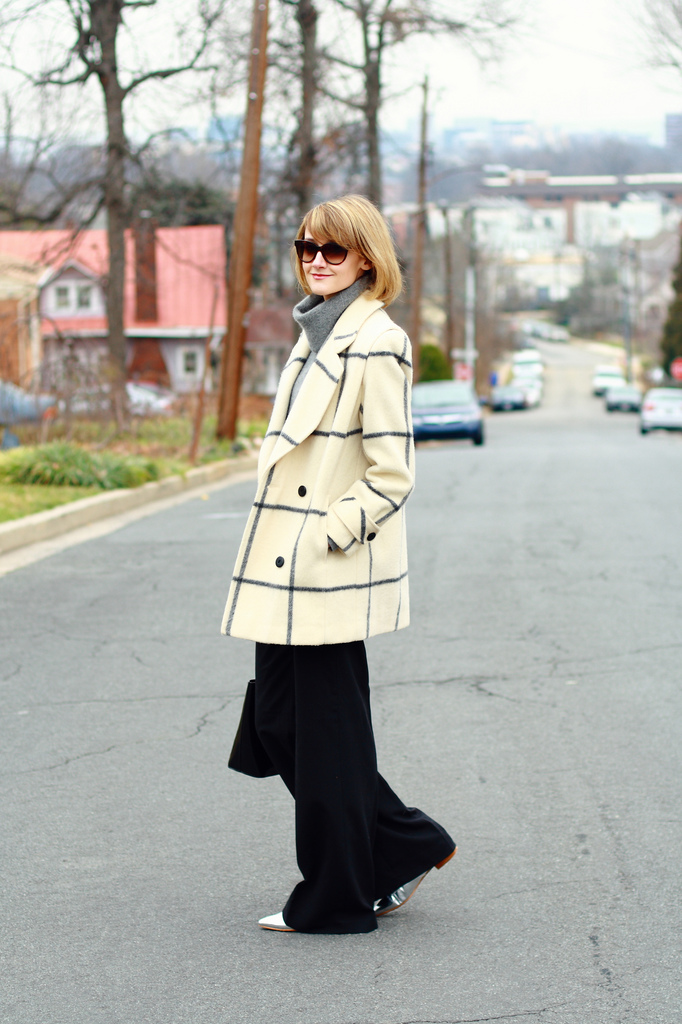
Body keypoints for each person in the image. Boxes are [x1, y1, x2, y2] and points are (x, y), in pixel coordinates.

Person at [221, 194, 456, 934]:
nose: (317, 260)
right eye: (306, 248)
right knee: (280, 721)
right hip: (287, 571)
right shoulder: (315, 333)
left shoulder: (375, 341)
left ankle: (336, 895)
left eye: (334, 250)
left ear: (366, 259)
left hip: (323, 569)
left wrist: (328, 533)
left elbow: (392, 471)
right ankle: (403, 844)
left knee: (319, 735)